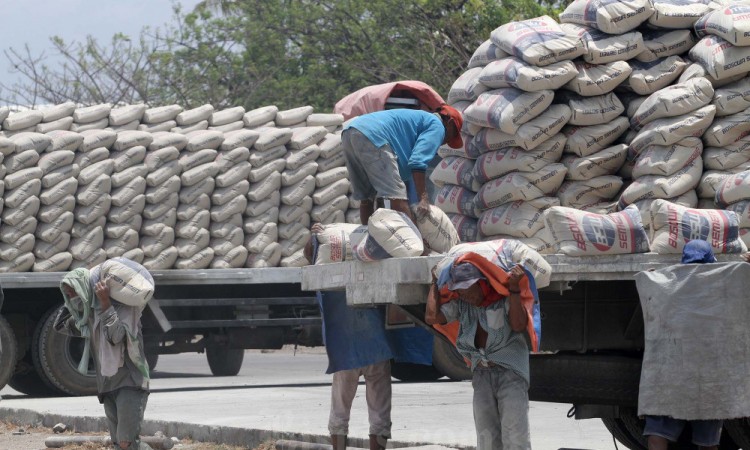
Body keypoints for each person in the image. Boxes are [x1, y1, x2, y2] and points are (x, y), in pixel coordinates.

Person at [304, 223, 433, 450]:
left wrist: (313, 238)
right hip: (376, 348)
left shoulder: (335, 268)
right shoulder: (378, 259)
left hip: (347, 350)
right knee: (378, 410)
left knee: (340, 409)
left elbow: (311, 255)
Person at [425, 254, 536, 450]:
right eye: (459, 291)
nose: (464, 295)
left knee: (515, 439)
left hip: (510, 373)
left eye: (467, 288)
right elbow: (432, 317)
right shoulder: (463, 305)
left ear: (481, 284)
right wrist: (434, 283)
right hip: (481, 374)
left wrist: (514, 289)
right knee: (487, 441)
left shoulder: (503, 300)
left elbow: (518, 325)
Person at [54, 266, 152, 450]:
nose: (72, 296)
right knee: (119, 444)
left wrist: (106, 303)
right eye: (68, 294)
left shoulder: (126, 310)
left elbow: (116, 337)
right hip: (108, 385)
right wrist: (70, 303)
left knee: (126, 443)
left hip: (131, 381)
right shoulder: (88, 318)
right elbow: (59, 325)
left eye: (74, 291)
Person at [642, 240, 722, 450]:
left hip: (670, 373)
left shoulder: (667, 284)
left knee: (658, 435)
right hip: (707, 376)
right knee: (708, 442)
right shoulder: (720, 287)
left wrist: (651, 278)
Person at [341, 105, 463, 225]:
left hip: (350, 131)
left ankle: (368, 241)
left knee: (367, 198)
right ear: (450, 123)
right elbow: (418, 162)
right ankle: (413, 243)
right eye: (452, 136)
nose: (445, 142)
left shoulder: (420, 120)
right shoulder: (437, 126)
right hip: (374, 135)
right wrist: (423, 199)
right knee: (397, 196)